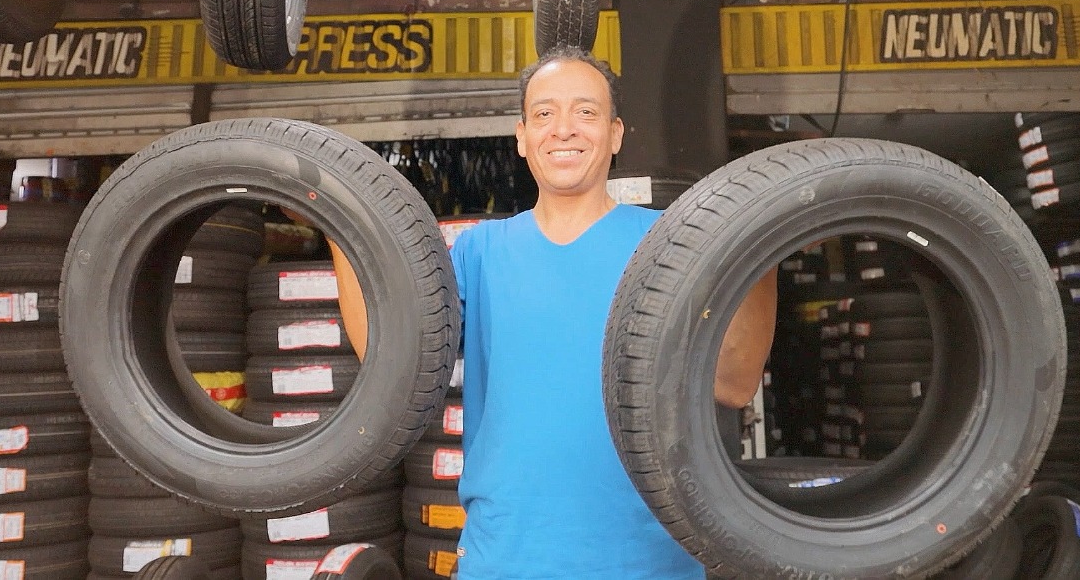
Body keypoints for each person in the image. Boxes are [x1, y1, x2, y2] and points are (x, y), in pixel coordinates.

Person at [323, 45, 777, 579]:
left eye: (585, 112)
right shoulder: (478, 252)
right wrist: (338, 217)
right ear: (521, 137)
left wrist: (764, 229)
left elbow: (735, 382)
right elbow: (388, 362)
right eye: (544, 114)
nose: (564, 129)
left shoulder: (670, 243)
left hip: (649, 559)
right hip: (509, 557)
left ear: (615, 134)